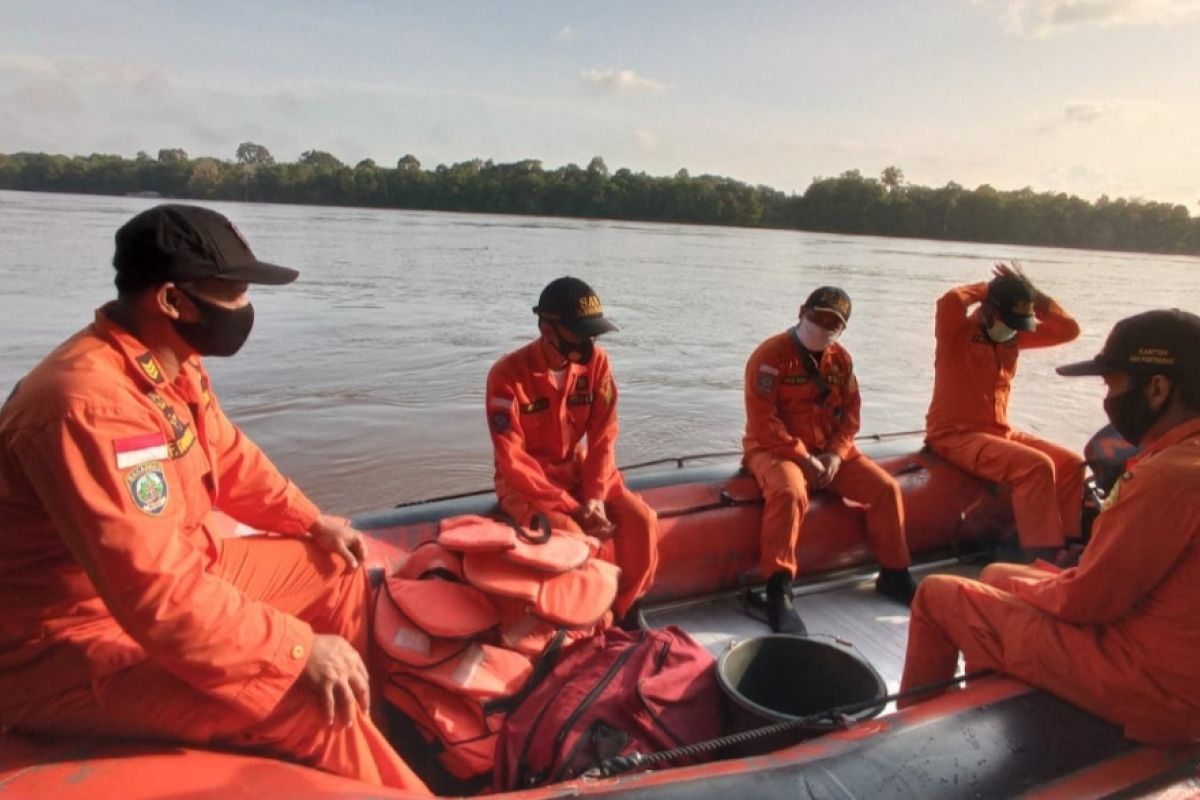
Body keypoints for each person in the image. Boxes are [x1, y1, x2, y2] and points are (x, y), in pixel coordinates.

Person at [0, 205, 429, 792]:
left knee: (338, 568)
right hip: (65, 644)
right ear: (173, 300)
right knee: (310, 703)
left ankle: (368, 737)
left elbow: (229, 459)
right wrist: (296, 650)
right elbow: (155, 596)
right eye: (232, 292)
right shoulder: (90, 407)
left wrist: (311, 521)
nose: (244, 309)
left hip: (181, 569)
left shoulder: (171, 364)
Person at [899, 309, 1200, 746]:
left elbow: (1085, 602)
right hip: (1168, 649)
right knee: (997, 575)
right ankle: (990, 706)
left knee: (936, 596)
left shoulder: (1168, 476)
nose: (1108, 398)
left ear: (1157, 388)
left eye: (1112, 384)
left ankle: (912, 745)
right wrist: (1028, 584)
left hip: (1157, 689)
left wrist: (1031, 590)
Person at [486, 276, 658, 631]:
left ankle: (629, 607)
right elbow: (512, 460)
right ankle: (590, 622)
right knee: (572, 536)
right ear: (549, 330)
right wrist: (570, 507)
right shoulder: (507, 376)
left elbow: (603, 437)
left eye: (592, 335)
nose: (589, 343)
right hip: (527, 486)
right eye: (580, 335)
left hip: (580, 472)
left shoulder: (597, 366)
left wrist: (594, 496)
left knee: (642, 519)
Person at [743, 287, 915, 634]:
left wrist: (836, 454)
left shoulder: (841, 361)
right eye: (817, 318)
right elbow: (763, 421)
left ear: (842, 330)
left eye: (832, 324)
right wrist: (804, 458)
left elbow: (851, 413)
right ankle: (778, 589)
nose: (822, 327)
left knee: (886, 489)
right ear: (802, 311)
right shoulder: (770, 356)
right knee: (789, 494)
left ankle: (894, 573)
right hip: (773, 449)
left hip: (828, 452)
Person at [925, 263, 1084, 560]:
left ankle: (1071, 543)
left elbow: (1068, 330)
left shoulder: (1012, 337)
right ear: (989, 309)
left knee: (1072, 463)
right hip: (954, 435)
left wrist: (1033, 295)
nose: (1012, 327)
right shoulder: (956, 332)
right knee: (1036, 466)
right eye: (1008, 318)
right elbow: (950, 300)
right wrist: (991, 288)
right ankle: (1042, 555)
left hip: (998, 433)